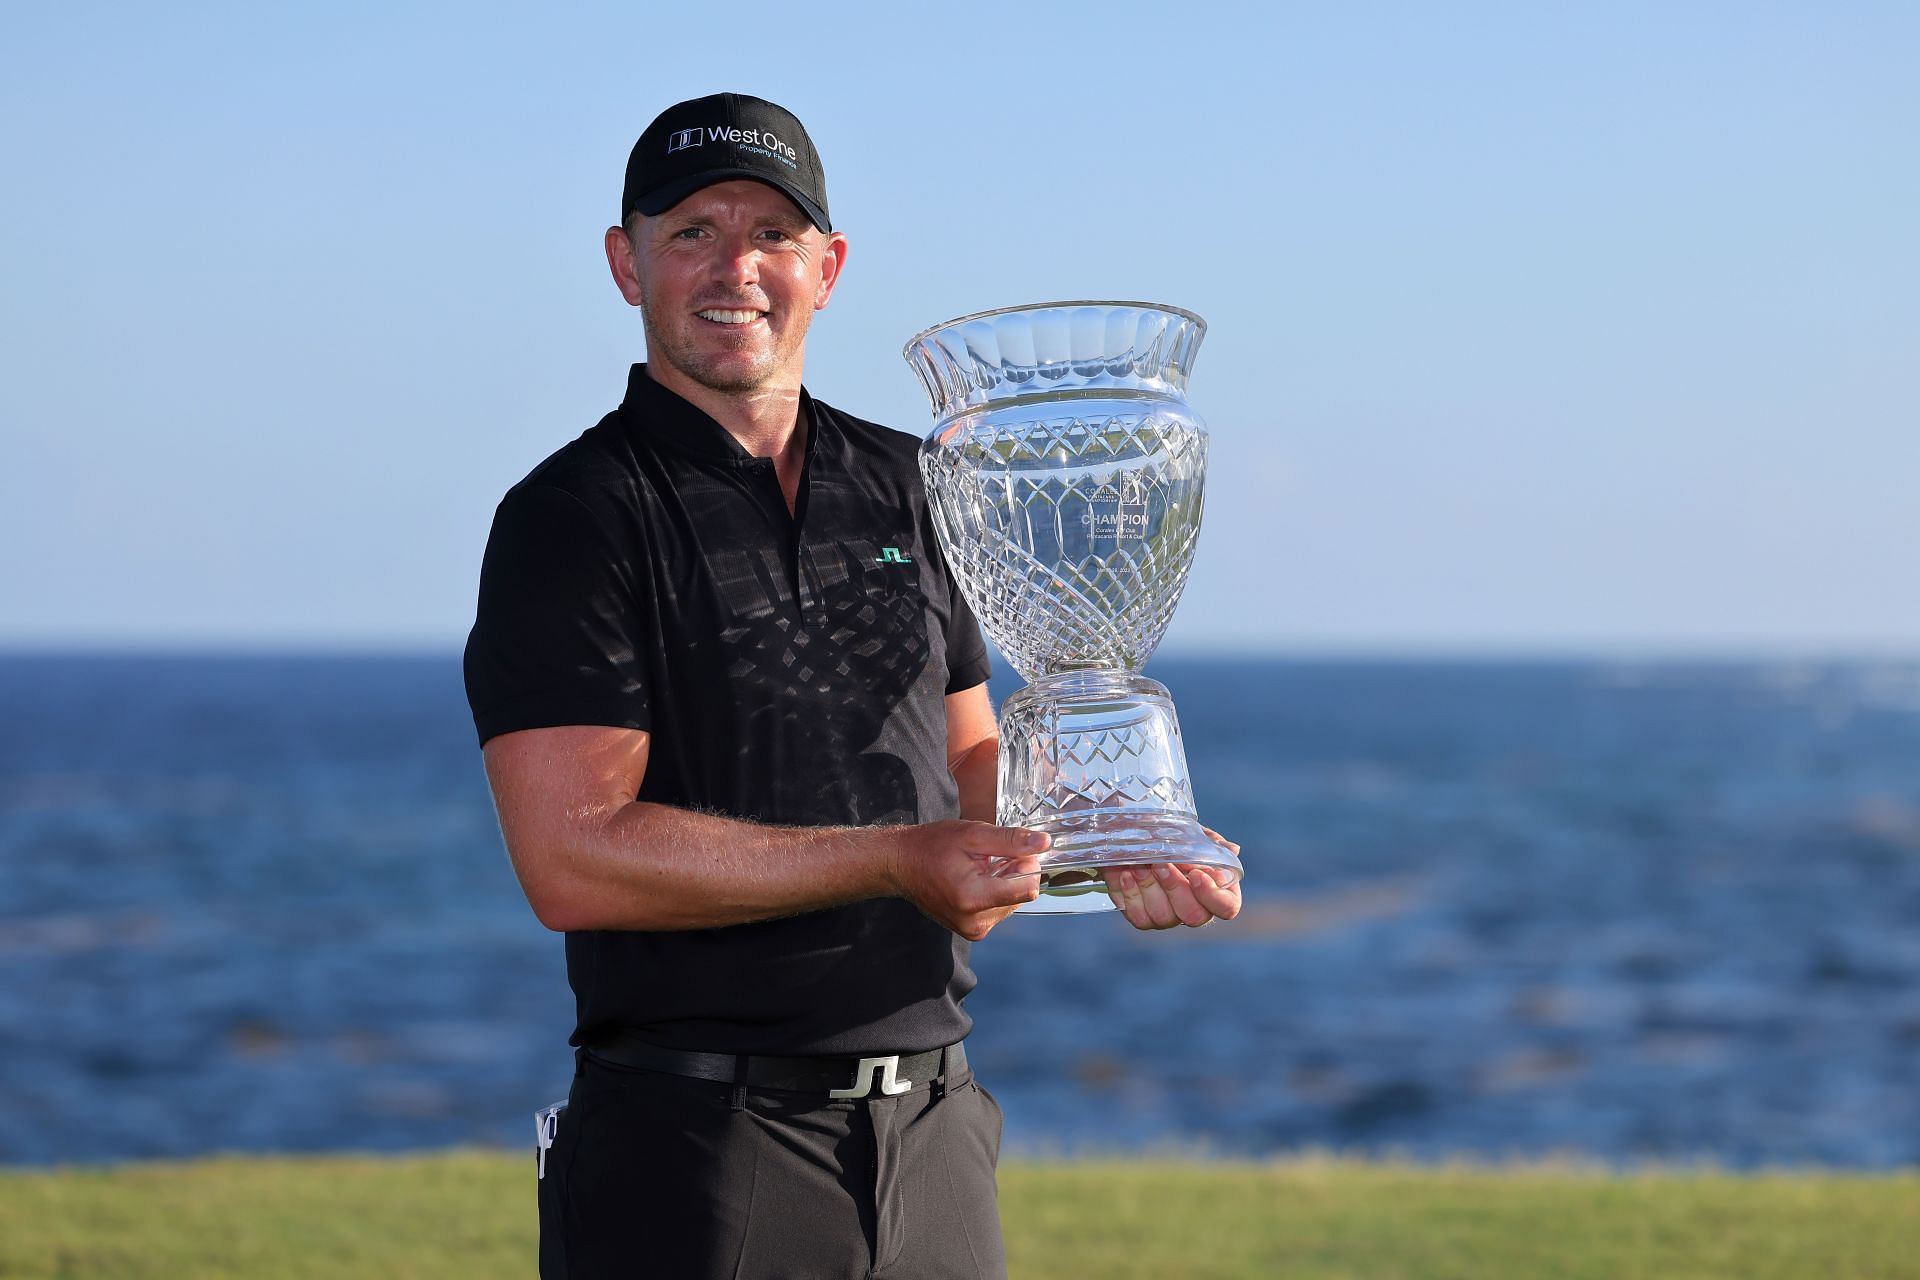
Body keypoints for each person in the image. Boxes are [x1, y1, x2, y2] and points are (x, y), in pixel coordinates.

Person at [462, 91, 1241, 1280]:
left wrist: (1105, 836)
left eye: (772, 234)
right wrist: (893, 858)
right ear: (627, 264)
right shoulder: (572, 518)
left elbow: (976, 791)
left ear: (826, 267)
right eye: (691, 232)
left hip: (935, 1135)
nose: (737, 267)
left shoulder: (921, 484)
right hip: (698, 1152)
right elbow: (572, 855)